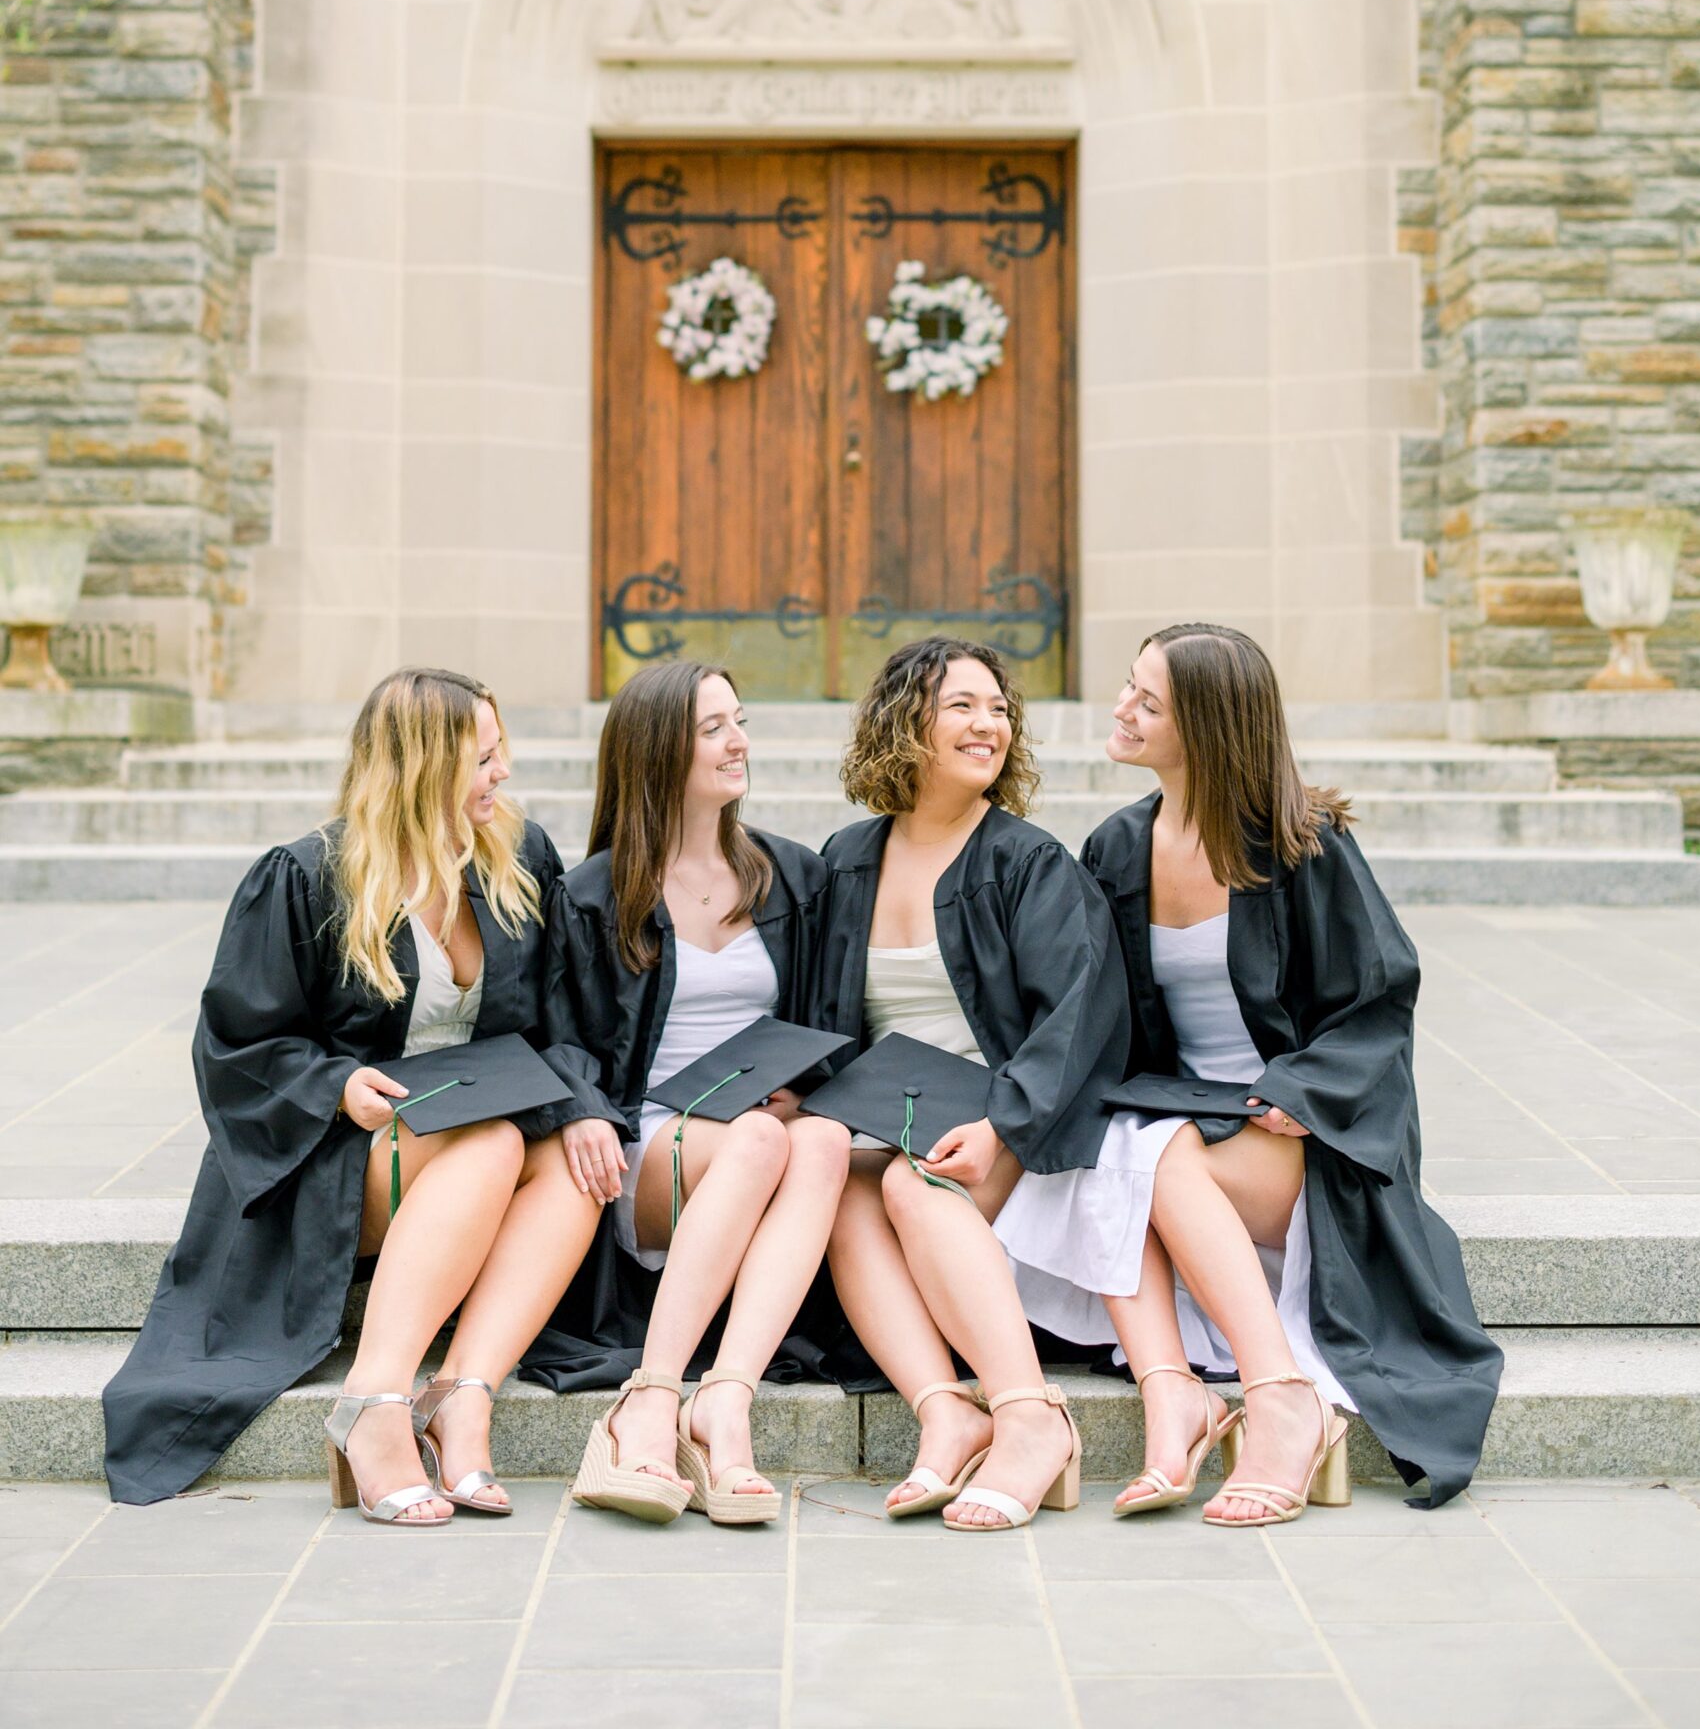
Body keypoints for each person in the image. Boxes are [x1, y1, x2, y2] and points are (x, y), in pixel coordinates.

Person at [996, 623, 1503, 1520]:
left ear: (1209, 725)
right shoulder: (1118, 848)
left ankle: (1278, 1398)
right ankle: (1171, 1401)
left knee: (1152, 1155)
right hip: (1177, 1123)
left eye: (1147, 702)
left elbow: (1377, 1001)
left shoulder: (1303, 845)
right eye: (1128, 686)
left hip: (1298, 1139)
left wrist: (1300, 1092)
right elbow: (1088, 1016)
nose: (1120, 708)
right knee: (1116, 1147)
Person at [103, 667, 602, 1520]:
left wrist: (585, 1105)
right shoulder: (307, 878)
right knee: (492, 1141)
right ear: (420, 767)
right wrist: (335, 1084)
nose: (502, 773)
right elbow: (236, 1041)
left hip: (488, 1124)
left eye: (500, 752)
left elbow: (562, 1018)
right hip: (345, 1148)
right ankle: (372, 1408)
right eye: (484, 758)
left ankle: (461, 1396)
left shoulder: (520, 862)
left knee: (575, 1157)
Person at [817, 638, 1129, 1533]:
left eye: (997, 708)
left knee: (920, 1185)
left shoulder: (1027, 864)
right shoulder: (847, 859)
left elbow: (1076, 1018)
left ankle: (1028, 1418)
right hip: (882, 1119)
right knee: (840, 1190)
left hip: (1001, 1123)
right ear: (904, 721)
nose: (987, 723)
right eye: (961, 705)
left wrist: (1002, 1125)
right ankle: (945, 1414)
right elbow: (827, 1023)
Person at [531, 660, 850, 1524]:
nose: (737, 741)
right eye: (712, 728)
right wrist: (583, 1110)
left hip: (764, 1140)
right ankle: (654, 1393)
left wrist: (799, 1085)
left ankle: (725, 1401)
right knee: (759, 1140)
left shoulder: (791, 877)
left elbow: (826, 1021)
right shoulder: (595, 893)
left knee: (816, 1137)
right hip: (649, 1152)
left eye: (738, 721)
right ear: (655, 747)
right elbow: (556, 1031)